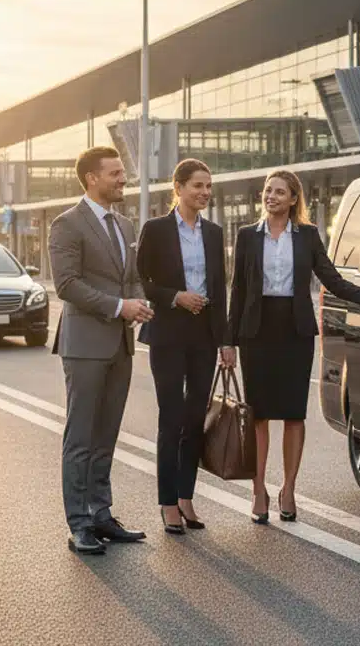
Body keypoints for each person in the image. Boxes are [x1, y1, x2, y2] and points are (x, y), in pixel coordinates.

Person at [225, 169, 360, 524]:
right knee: (257, 415)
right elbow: (238, 289)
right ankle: (258, 490)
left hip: (295, 331)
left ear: (292, 199)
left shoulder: (307, 236)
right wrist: (227, 341)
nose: (270, 196)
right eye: (267, 190)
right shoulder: (247, 237)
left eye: (278, 192)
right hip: (255, 333)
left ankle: (288, 489)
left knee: (292, 414)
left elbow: (330, 278)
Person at [49, 145, 154, 556]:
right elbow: (67, 284)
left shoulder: (126, 226)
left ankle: (101, 513)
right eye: (115, 173)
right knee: (81, 436)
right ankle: (79, 524)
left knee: (106, 434)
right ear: (92, 178)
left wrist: (138, 302)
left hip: (120, 343)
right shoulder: (67, 224)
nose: (123, 179)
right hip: (86, 344)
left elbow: (130, 278)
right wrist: (118, 306)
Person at [136, 159, 229, 535]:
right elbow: (142, 281)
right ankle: (167, 501)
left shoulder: (214, 232)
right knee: (172, 418)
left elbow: (221, 288)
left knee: (195, 420)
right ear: (178, 187)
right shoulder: (155, 230)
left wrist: (226, 341)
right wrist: (176, 297)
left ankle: (187, 496)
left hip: (204, 336)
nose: (205, 193)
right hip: (169, 335)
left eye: (208, 186)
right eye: (197, 186)